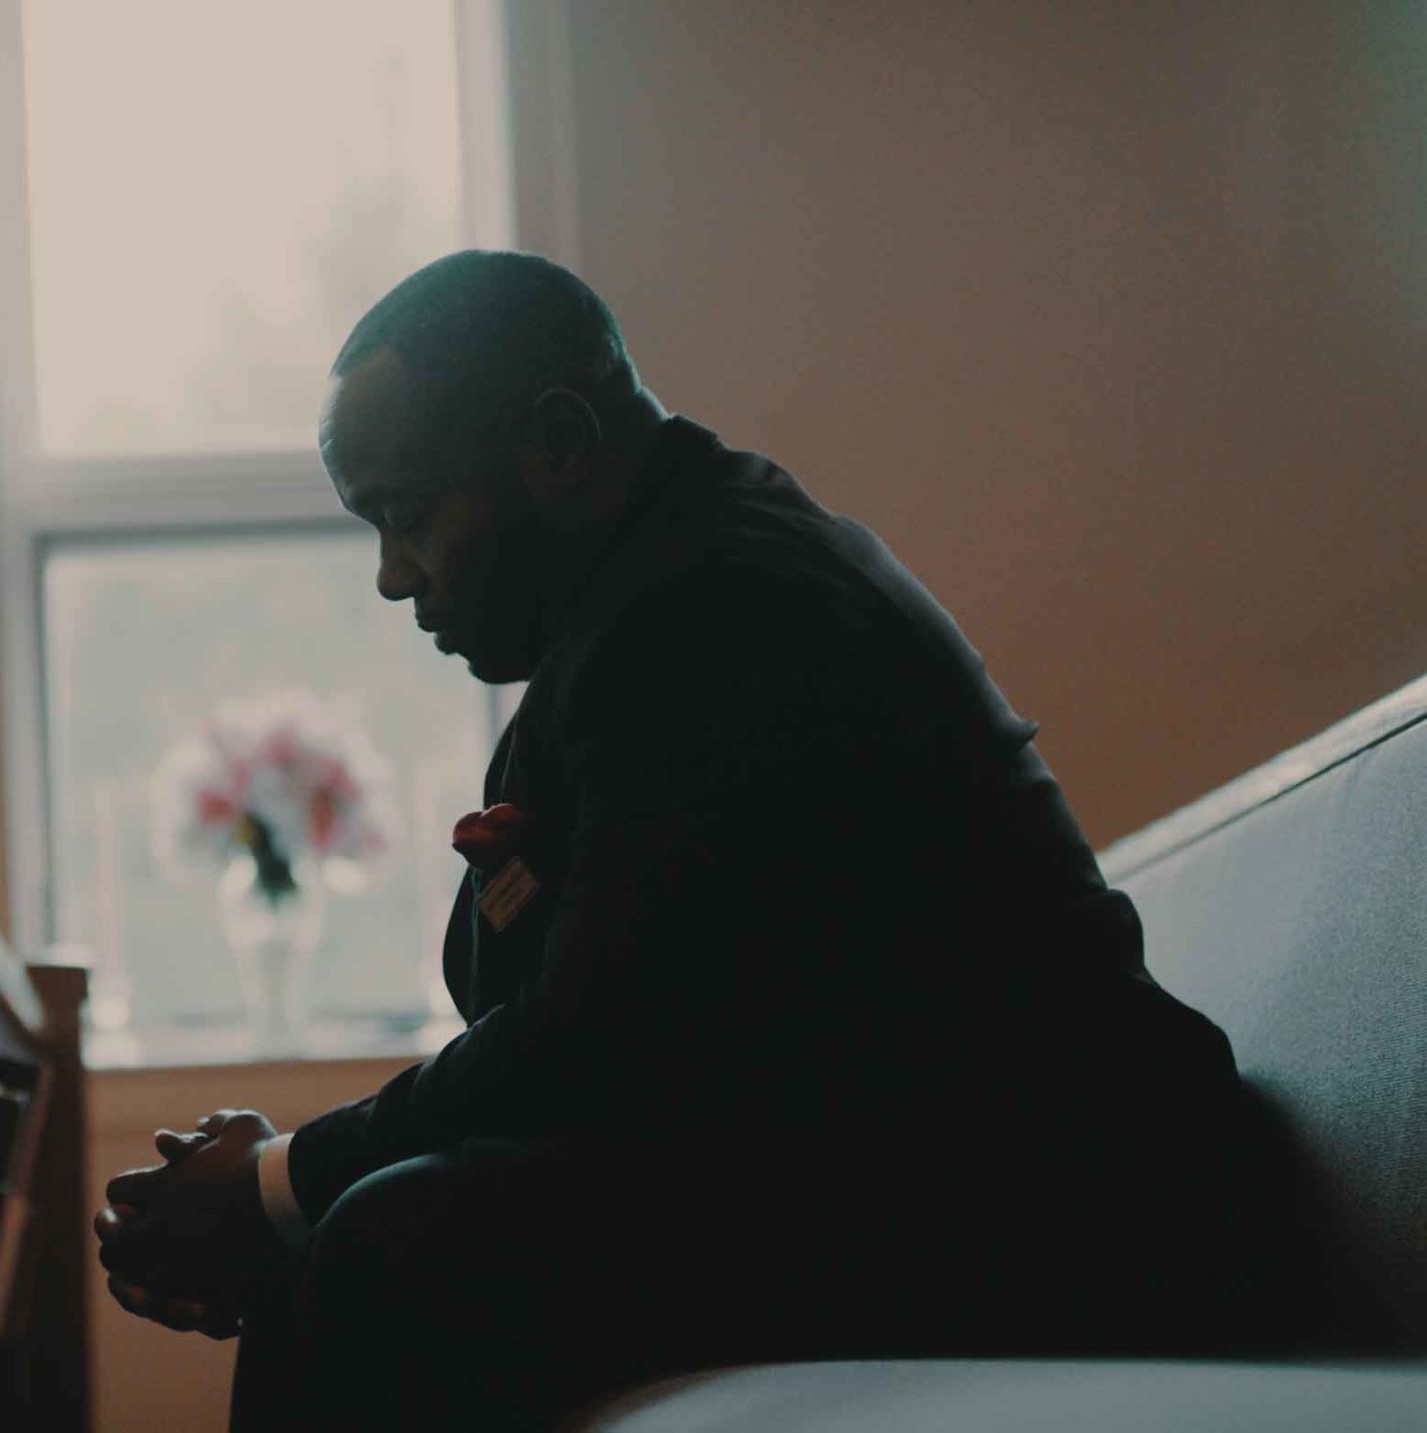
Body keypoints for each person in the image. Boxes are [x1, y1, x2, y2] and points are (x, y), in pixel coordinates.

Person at [92, 251, 1263, 1430]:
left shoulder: (721, 601)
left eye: (408, 513)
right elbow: (592, 1022)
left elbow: (591, 1043)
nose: (394, 577)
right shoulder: (640, 595)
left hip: (1063, 1213)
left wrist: (272, 1182)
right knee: (375, 1225)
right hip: (906, 1168)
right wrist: (282, 1183)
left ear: (556, 440)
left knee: (392, 1238)